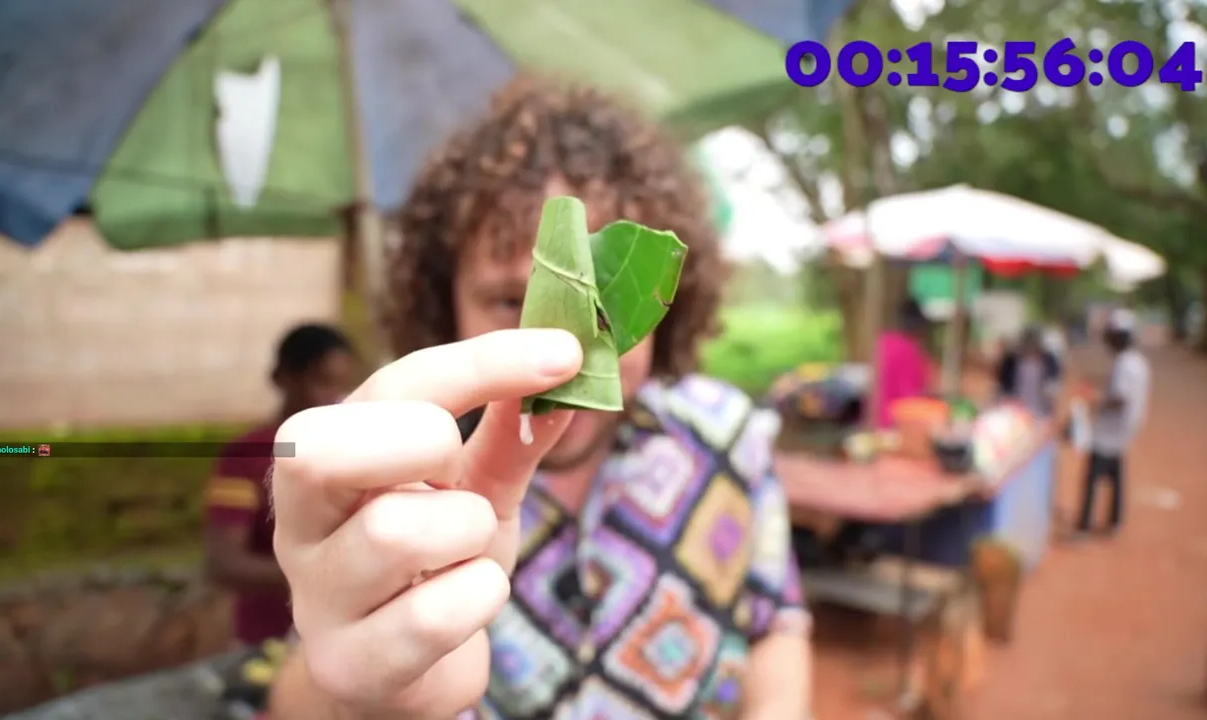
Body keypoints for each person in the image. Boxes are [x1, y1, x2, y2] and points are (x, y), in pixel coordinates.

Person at [265, 77, 812, 720]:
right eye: (507, 300)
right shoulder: (404, 483)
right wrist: (366, 695)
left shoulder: (728, 436)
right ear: (445, 305)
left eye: (604, 303)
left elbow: (777, 624)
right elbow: (296, 691)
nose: (563, 346)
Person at [204, 323, 359, 647]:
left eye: (342, 384)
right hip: (268, 643)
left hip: (346, 638)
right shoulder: (249, 455)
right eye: (322, 381)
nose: (334, 397)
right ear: (283, 378)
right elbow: (224, 563)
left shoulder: (351, 449)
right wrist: (321, 572)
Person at [1075, 308, 1150, 537]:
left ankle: (1084, 525)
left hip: (1110, 429)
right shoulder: (1136, 362)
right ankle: (1115, 520)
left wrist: (1095, 402)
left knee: (1092, 477)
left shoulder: (1125, 364)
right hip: (1124, 430)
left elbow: (1119, 399)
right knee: (1115, 473)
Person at [874, 297, 934, 428]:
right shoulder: (909, 350)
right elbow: (910, 396)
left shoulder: (882, 342)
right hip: (897, 423)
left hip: (876, 420)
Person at [996, 325, 1062, 417]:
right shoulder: (1012, 361)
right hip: (1016, 409)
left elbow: (1054, 383)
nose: (1030, 345)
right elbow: (1005, 385)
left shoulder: (1048, 360)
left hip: (1042, 410)